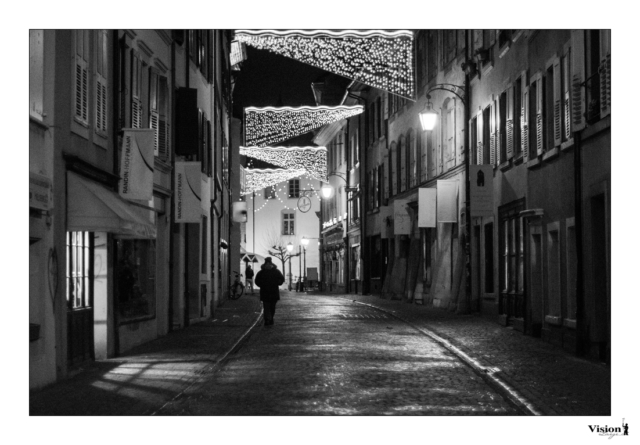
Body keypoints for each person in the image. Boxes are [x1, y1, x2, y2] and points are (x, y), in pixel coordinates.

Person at [254, 257, 285, 326]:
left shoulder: (276, 272)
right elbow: (257, 281)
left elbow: (281, 279)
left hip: (272, 292)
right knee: (266, 307)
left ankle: (270, 318)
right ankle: (267, 319)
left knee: (272, 307)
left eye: (269, 264)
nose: (268, 265)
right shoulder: (261, 272)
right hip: (266, 292)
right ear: (265, 265)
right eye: (267, 264)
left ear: (271, 265)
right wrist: (261, 284)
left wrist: (278, 282)